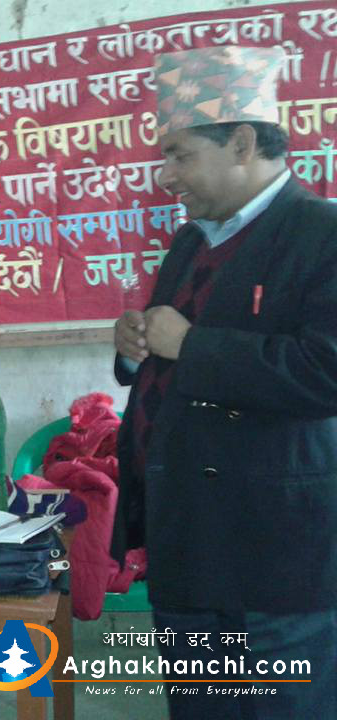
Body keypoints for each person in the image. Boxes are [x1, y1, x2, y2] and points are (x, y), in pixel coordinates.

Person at [111, 46, 337, 720]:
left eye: (179, 155)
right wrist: (135, 348)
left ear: (241, 143)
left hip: (277, 559)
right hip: (188, 543)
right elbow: (167, 348)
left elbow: (325, 371)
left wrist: (191, 345)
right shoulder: (191, 241)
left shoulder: (322, 233)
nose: (166, 175)